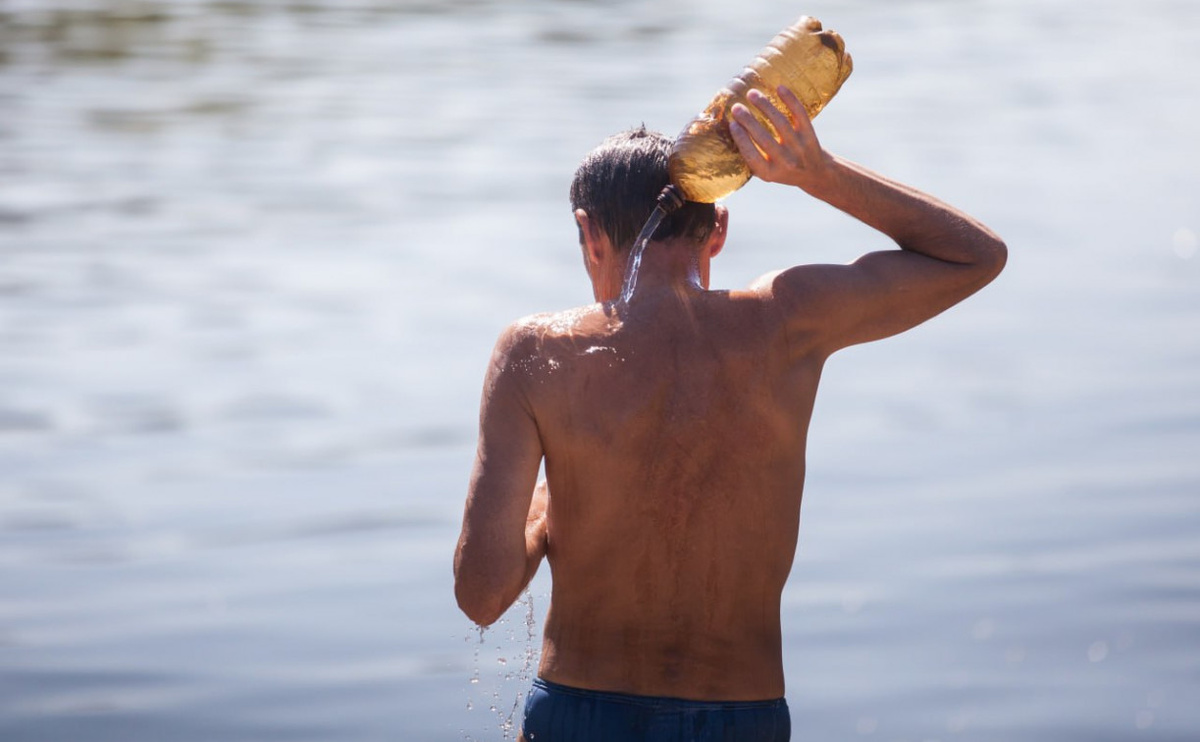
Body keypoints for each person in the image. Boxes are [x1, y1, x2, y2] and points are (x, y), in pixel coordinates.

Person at [453, 86, 1006, 741]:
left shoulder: (537, 351)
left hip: (580, 713)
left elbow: (482, 595)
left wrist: (547, 510)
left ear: (587, 230)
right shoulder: (787, 319)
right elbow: (976, 255)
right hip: (741, 718)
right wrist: (816, 171)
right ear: (718, 227)